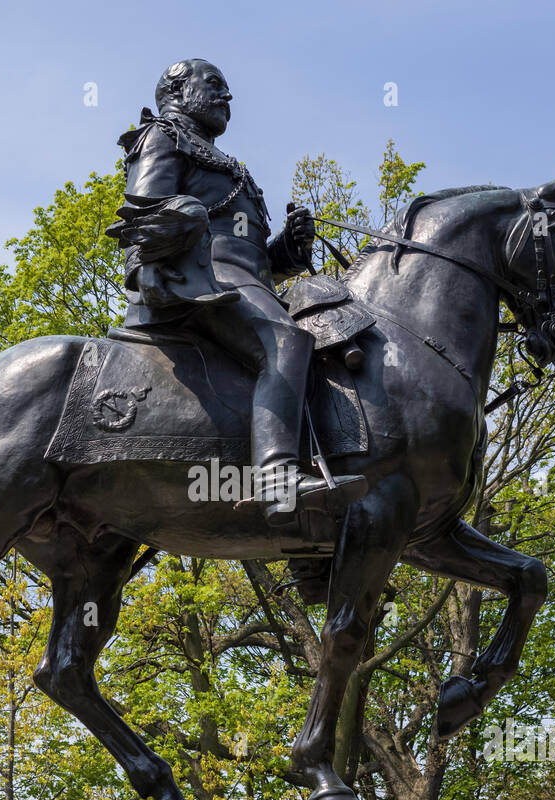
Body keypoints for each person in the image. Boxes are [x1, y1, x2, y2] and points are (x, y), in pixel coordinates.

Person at [106, 58, 365, 524]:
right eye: (215, 86)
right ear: (179, 92)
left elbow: (256, 258)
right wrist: (150, 268)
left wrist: (288, 247)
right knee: (285, 342)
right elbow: (143, 215)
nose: (228, 97)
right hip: (199, 278)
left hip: (245, 280)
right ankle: (275, 478)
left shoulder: (230, 166)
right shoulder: (162, 135)